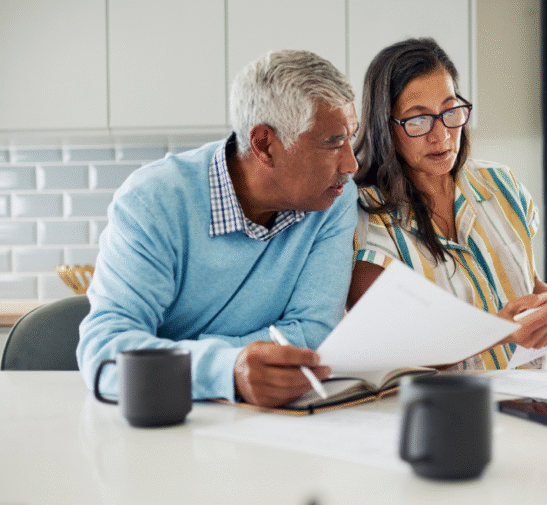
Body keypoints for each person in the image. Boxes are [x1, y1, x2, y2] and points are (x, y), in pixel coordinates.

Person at [78, 49, 359, 408]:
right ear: (264, 145)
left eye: (350, 137)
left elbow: (313, 335)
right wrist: (227, 370)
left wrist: (184, 357)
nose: (350, 163)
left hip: (270, 423)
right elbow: (105, 351)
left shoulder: (333, 198)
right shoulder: (154, 200)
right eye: (333, 143)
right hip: (166, 419)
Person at [349, 38, 547, 370]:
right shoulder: (363, 221)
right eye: (418, 120)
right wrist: (499, 332)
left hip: (544, 389)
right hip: (453, 408)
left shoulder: (501, 184)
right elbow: (392, 350)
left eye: (450, 111)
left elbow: (525, 282)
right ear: (385, 127)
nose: (442, 135)